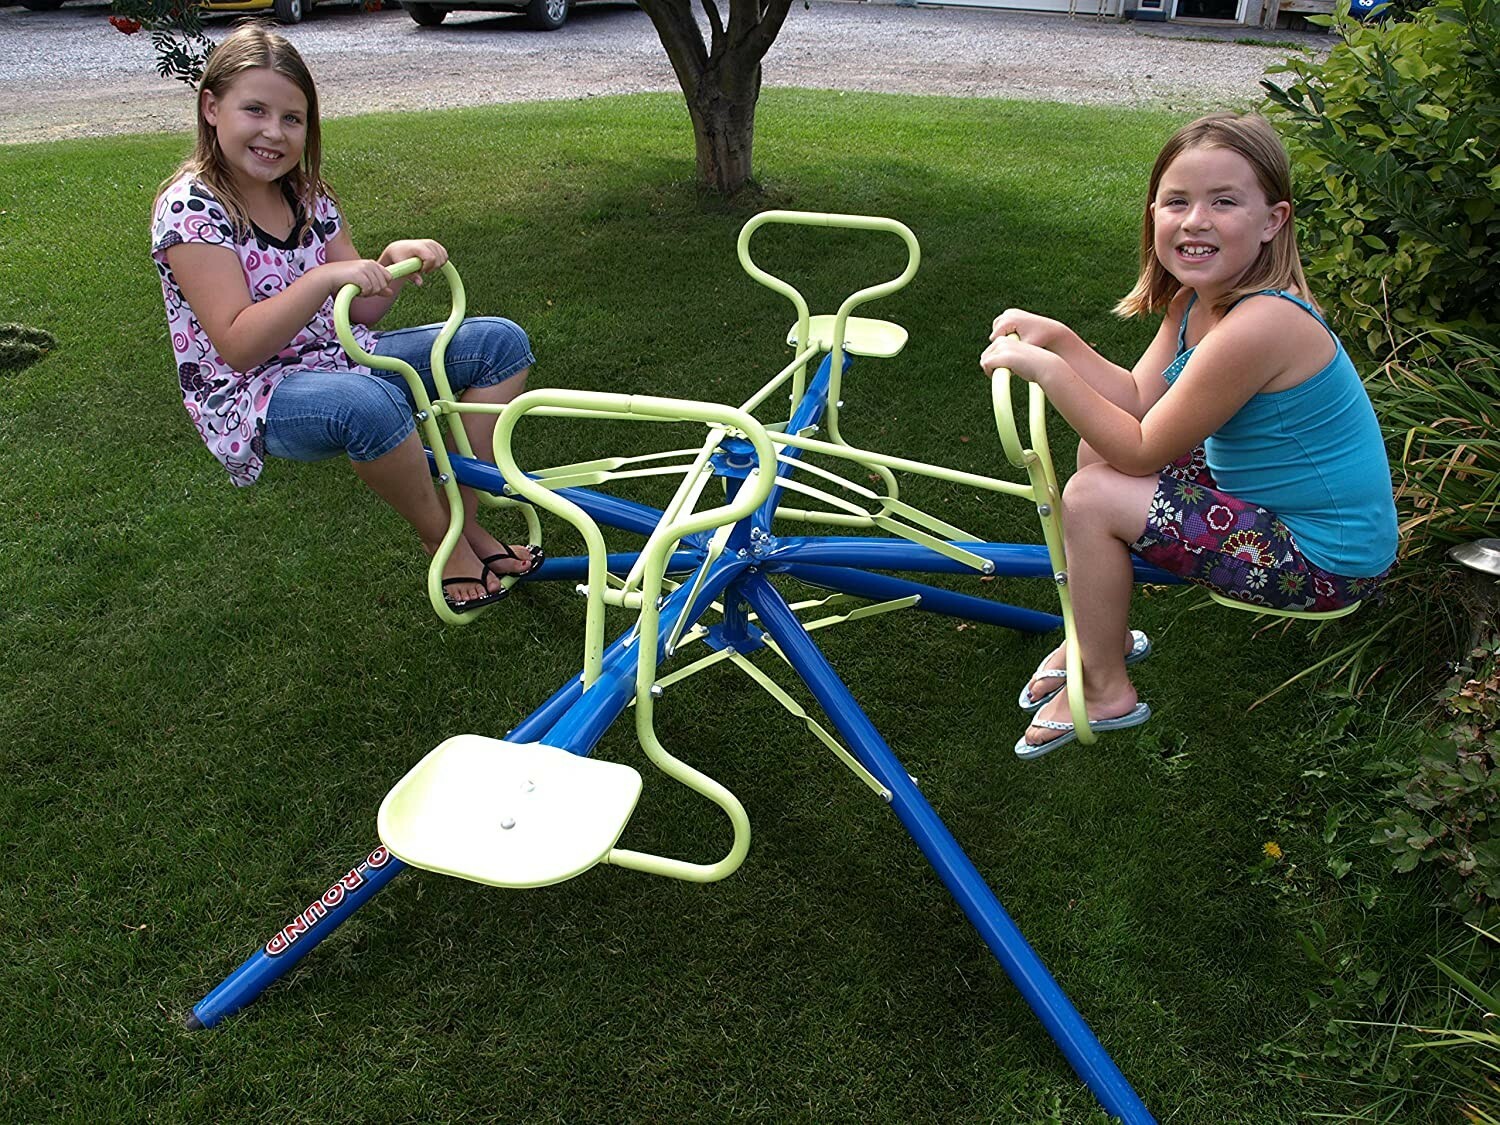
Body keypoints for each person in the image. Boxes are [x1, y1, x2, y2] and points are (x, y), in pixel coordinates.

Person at [979, 112, 1397, 760]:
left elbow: (1142, 448)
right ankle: (1100, 637)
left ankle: (1106, 684)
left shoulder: (1261, 325)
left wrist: (1050, 372)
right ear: (1154, 214)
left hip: (1326, 559)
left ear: (1272, 220)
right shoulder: (1194, 302)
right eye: (1177, 201)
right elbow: (1141, 403)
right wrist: (1061, 339)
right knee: (1095, 457)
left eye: (1223, 201)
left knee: (1093, 496)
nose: (1195, 219)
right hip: (1274, 506)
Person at [150, 23, 540, 613]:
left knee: (500, 344)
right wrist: (321, 280)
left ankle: (464, 521)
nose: (273, 133)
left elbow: (361, 310)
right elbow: (237, 345)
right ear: (211, 107)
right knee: (370, 402)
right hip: (252, 393)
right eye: (254, 109)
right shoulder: (191, 206)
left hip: (342, 353)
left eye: (293, 119)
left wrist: (390, 268)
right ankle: (444, 538)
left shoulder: (308, 195)